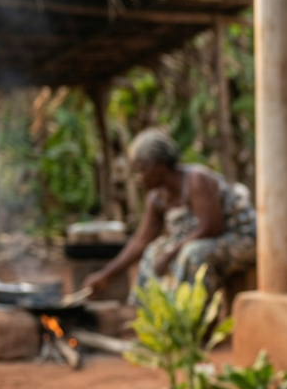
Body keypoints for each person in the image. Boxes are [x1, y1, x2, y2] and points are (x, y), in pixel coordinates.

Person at [82, 128, 256, 301]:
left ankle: (193, 321)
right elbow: (140, 241)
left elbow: (211, 227)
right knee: (152, 252)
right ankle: (151, 318)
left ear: (159, 165)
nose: (138, 177)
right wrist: (106, 275)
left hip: (242, 238)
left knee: (192, 254)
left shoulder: (196, 179)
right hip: (207, 242)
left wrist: (170, 254)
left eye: (141, 169)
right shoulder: (156, 198)